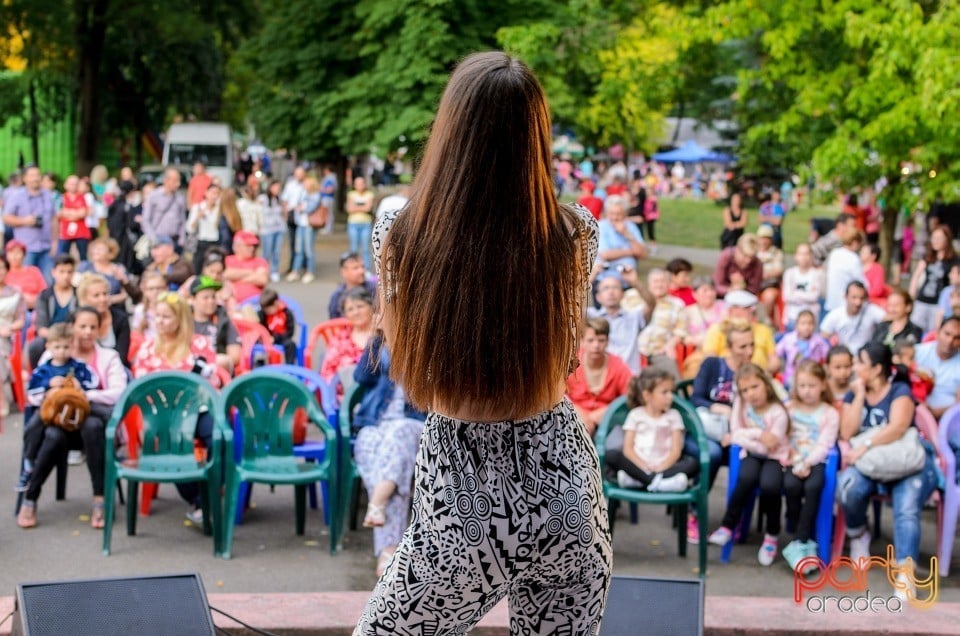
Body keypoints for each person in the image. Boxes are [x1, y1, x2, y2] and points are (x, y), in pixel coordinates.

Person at [355, 52, 611, 634]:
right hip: (563, 485)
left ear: (449, 132)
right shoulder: (575, 234)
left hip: (464, 498)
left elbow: (407, 362)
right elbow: (565, 354)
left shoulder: (401, 229)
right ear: (536, 138)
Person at [836, 343, 938, 600]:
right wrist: (858, 395)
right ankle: (859, 534)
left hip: (905, 463)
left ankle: (905, 571)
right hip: (872, 465)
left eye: (860, 362)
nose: (855, 367)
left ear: (877, 368)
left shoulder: (899, 390)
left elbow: (898, 427)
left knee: (907, 507)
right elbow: (847, 433)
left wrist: (866, 445)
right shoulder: (854, 393)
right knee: (847, 487)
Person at [17, 309, 128, 529]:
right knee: (52, 435)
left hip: (93, 427)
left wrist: (82, 395)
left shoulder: (108, 356)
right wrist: (52, 392)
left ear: (99, 330)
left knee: (93, 425)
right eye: (82, 327)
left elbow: (118, 393)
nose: (87, 332)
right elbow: (34, 392)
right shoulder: (55, 353)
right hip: (59, 424)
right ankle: (31, 497)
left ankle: (99, 498)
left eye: (93, 327)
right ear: (72, 328)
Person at [132, 290, 218, 522]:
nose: (159, 322)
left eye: (166, 317)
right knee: (174, 448)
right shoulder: (148, 349)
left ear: (180, 319)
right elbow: (141, 389)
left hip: (198, 409)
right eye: (157, 316)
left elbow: (215, 380)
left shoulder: (199, 344)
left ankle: (212, 493)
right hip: (163, 415)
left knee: (220, 437)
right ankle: (201, 502)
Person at [352, 333, 427, 576]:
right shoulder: (378, 343)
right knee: (367, 443)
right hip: (376, 421)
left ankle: (378, 508)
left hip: (412, 422)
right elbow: (360, 377)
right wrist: (376, 342)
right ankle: (388, 544)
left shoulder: (425, 338)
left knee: (397, 435)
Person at [707, 363, 790, 566]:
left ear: (766, 385)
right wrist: (758, 436)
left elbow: (769, 446)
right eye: (744, 390)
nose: (750, 394)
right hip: (751, 454)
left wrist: (746, 436)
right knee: (745, 478)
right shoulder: (741, 405)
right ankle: (727, 527)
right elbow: (735, 428)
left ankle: (771, 535)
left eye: (755, 387)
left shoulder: (778, 412)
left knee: (770, 486)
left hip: (775, 457)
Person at [16, 323, 98, 506]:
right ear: (48, 347)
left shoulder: (78, 367)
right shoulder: (44, 370)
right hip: (50, 414)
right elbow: (31, 393)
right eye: (57, 347)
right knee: (35, 423)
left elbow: (93, 381)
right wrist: (48, 387)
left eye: (66, 347)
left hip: (72, 415)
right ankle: (29, 461)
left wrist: (79, 385)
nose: (62, 351)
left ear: (72, 346)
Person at [781, 360, 839, 572]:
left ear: (823, 385)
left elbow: (825, 444)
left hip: (815, 460)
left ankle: (800, 540)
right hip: (791, 459)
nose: (807, 391)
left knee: (814, 486)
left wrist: (807, 462)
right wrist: (796, 460)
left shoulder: (829, 413)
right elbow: (783, 437)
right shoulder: (788, 409)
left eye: (812, 386)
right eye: (802, 386)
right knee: (791, 485)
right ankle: (798, 530)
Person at [605, 368, 699, 492]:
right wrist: (643, 466)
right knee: (612, 455)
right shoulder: (635, 415)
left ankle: (641, 481)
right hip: (639, 465)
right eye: (664, 392)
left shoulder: (674, 416)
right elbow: (627, 449)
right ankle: (660, 483)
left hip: (664, 466)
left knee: (694, 464)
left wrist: (660, 467)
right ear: (647, 395)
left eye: (671, 392)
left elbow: (676, 451)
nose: (670, 397)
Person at [701, 290, 779, 374]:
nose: (751, 311)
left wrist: (762, 375)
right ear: (732, 310)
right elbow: (710, 359)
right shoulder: (717, 329)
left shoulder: (763, 329)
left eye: (752, 308)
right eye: (746, 308)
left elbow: (774, 360)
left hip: (760, 376)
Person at [1, 165, 57, 278]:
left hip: (46, 247)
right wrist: (24, 221)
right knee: (26, 282)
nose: (35, 178)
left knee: (47, 282)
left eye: (37, 175)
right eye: (32, 175)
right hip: (26, 249)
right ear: (25, 178)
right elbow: (6, 217)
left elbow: (54, 219)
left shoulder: (47, 194)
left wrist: (55, 242)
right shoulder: (17, 195)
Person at [28, 254, 78, 368]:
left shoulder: (78, 294)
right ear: (53, 272)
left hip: (73, 335)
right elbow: (41, 327)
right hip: (50, 336)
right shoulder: (45, 295)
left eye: (69, 272)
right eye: (62, 271)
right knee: (36, 346)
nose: (66, 276)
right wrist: (57, 339)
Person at [587, 274, 644, 373]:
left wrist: (635, 282)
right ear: (598, 297)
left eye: (615, 287)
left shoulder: (634, 316)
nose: (611, 292)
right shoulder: (590, 316)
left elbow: (651, 304)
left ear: (623, 294)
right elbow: (572, 306)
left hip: (629, 377)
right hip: (600, 377)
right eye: (606, 288)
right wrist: (591, 277)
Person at [636, 268, 687, 376]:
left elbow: (681, 331)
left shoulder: (677, 304)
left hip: (661, 351)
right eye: (655, 281)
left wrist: (670, 345)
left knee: (673, 379)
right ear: (649, 284)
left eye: (662, 281)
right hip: (635, 351)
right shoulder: (633, 298)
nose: (659, 285)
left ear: (669, 284)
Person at [320, 286, 375, 385]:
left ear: (371, 307)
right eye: (350, 309)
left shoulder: (382, 335)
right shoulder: (340, 339)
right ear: (345, 314)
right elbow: (327, 373)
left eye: (360, 306)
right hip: (347, 395)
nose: (356, 312)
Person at [909, 225, 957, 332]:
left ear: (947, 239)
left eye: (939, 238)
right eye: (934, 238)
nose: (935, 241)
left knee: (933, 331)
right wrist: (912, 294)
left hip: (939, 304)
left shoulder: (954, 259)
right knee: (915, 329)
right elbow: (916, 275)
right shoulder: (928, 256)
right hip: (922, 300)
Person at [190, 275, 241, 374]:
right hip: (188, 370)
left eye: (213, 297)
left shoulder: (223, 320)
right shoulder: (184, 320)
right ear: (193, 300)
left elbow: (235, 355)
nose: (211, 301)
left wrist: (209, 362)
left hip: (215, 371)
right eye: (205, 297)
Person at [77, 273, 130, 363]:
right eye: (96, 295)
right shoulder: (76, 319)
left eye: (105, 294)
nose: (102, 299)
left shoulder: (121, 319)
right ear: (85, 299)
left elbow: (122, 355)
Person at [913, 316, 960, 418]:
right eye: (947, 334)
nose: (950, 341)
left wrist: (936, 413)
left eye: (957, 338)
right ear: (938, 333)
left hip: (947, 420)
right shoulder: (917, 352)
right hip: (911, 410)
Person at [820, 281, 885, 354]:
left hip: (867, 356)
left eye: (861, 298)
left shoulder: (871, 310)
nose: (858, 302)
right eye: (854, 297)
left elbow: (888, 319)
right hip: (844, 356)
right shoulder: (835, 314)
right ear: (845, 296)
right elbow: (823, 336)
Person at [0, 253, 27, 415]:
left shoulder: (14, 293)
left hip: (7, 336)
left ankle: (1, 398)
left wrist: (8, 329)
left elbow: (21, 320)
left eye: (1, 268)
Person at [775, 310, 830, 389]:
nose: (807, 327)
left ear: (814, 325)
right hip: (793, 374)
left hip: (813, 374)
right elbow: (776, 352)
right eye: (803, 323)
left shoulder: (819, 341)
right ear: (797, 325)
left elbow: (828, 355)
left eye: (810, 323)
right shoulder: (788, 339)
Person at [76, 237, 133, 306]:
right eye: (95, 248)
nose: (96, 251)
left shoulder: (118, 268)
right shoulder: (85, 266)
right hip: (88, 307)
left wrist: (107, 300)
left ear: (110, 253)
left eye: (100, 249)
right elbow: (75, 286)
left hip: (113, 307)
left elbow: (126, 294)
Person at [597, 194, 647, 272]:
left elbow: (643, 254)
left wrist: (627, 234)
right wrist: (631, 252)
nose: (615, 217)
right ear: (606, 213)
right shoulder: (601, 226)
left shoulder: (631, 226)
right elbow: (605, 255)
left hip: (628, 271)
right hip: (606, 271)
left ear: (625, 214)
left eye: (619, 214)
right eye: (611, 213)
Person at [286, 176, 321, 283]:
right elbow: (296, 205)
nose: (304, 185)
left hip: (309, 226)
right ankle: (295, 271)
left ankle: (309, 272)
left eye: (306, 183)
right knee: (298, 250)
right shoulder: (303, 194)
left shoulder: (315, 195)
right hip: (300, 225)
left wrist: (301, 207)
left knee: (308, 250)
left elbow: (309, 208)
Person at [141, 168, 187, 248]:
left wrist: (182, 238)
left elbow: (182, 220)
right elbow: (146, 219)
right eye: (175, 181)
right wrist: (153, 238)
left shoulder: (180, 198)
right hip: (158, 239)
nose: (178, 184)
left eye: (179, 181)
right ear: (166, 180)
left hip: (175, 240)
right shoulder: (154, 196)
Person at [781, 243, 824, 329]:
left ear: (811, 256)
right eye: (801, 254)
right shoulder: (789, 273)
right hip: (792, 318)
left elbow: (814, 297)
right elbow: (787, 296)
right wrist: (806, 296)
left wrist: (796, 294)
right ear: (795, 256)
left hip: (811, 320)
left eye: (806, 254)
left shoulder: (817, 274)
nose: (803, 257)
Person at [328, 252, 378, 320]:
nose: (361, 271)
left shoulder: (374, 289)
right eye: (356, 268)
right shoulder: (337, 296)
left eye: (362, 267)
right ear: (343, 272)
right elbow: (333, 323)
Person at [223, 230, 269, 303]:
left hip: (255, 302)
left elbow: (262, 279)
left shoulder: (260, 261)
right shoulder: (228, 260)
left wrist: (235, 279)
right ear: (236, 246)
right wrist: (251, 272)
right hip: (232, 303)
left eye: (253, 246)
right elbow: (225, 274)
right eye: (248, 245)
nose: (252, 249)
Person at [186, 183, 222, 270]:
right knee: (197, 268)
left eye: (217, 193)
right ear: (206, 193)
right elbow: (189, 228)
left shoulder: (220, 209)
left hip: (216, 243)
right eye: (213, 193)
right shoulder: (198, 207)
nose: (214, 196)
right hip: (201, 243)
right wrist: (198, 217)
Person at [257, 287, 297, 365]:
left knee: (291, 345)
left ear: (276, 303)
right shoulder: (262, 314)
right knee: (257, 347)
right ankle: (260, 367)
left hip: (282, 338)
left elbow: (290, 332)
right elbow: (259, 327)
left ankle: (289, 366)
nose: (266, 312)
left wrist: (275, 338)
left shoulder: (286, 313)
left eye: (268, 309)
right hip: (267, 338)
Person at [4, 239, 47, 310]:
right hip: (10, 310)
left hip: (34, 308)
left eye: (18, 252)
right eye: (11, 252)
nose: (14, 256)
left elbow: (44, 293)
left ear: (24, 255)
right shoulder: (3, 273)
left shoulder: (34, 271)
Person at [57, 174, 92, 260]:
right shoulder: (60, 198)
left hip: (81, 231)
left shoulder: (82, 197)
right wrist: (75, 213)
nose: (73, 186)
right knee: (62, 256)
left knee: (83, 255)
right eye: (71, 183)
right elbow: (59, 213)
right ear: (65, 185)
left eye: (75, 184)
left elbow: (84, 212)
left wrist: (68, 213)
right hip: (65, 232)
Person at [258, 180, 286, 282]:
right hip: (267, 229)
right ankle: (264, 271)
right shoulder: (263, 198)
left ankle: (274, 271)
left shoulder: (280, 198)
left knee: (277, 251)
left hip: (279, 228)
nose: (277, 189)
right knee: (267, 252)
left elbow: (284, 211)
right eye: (275, 187)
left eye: (279, 188)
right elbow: (258, 210)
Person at [756, 224, 784, 327]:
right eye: (762, 238)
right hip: (754, 283)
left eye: (766, 238)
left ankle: (765, 320)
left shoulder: (776, 253)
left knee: (769, 296)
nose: (764, 241)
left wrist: (765, 274)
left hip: (769, 284)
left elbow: (778, 270)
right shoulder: (754, 251)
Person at [345, 176, 375, 272]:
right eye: (357, 183)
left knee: (366, 248)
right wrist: (363, 207)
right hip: (353, 223)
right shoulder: (351, 194)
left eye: (361, 183)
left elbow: (368, 208)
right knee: (353, 248)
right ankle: (353, 268)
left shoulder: (369, 194)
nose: (359, 186)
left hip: (365, 223)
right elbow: (349, 209)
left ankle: (366, 270)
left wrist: (356, 207)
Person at [281, 166, 306, 274]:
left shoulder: (307, 185)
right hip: (292, 216)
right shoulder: (290, 185)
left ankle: (303, 265)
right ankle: (293, 265)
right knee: (292, 242)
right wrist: (285, 214)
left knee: (303, 243)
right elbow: (285, 200)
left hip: (303, 217)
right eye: (297, 174)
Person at [132, 271, 166, 339]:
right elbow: (135, 336)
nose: (155, 292)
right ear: (144, 292)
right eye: (151, 289)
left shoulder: (172, 308)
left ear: (165, 289)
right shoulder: (140, 310)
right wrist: (141, 327)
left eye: (159, 288)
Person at [861, 243, 889, 308]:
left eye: (864, 252)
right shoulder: (858, 267)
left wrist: (861, 294)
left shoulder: (877, 269)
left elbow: (877, 290)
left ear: (873, 256)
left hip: (871, 300)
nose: (861, 254)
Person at [935, 260, 960, 329]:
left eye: (952, 273)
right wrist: (938, 330)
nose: (949, 275)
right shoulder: (947, 291)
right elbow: (940, 313)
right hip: (947, 325)